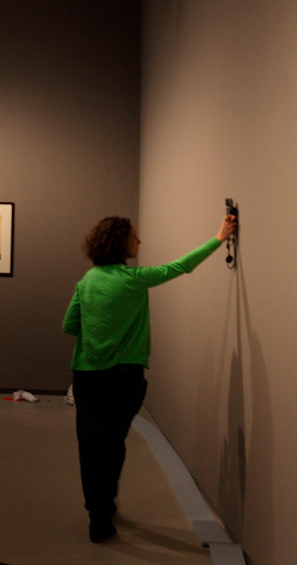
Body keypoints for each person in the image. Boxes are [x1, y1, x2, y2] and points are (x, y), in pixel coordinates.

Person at [62, 212, 237, 543]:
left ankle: (96, 515)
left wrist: (98, 330)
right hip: (123, 378)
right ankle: (105, 503)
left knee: (90, 446)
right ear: (120, 242)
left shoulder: (86, 281)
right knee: (113, 444)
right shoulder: (133, 280)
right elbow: (181, 266)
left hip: (86, 377)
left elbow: (69, 325)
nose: (139, 241)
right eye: (134, 236)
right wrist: (219, 237)